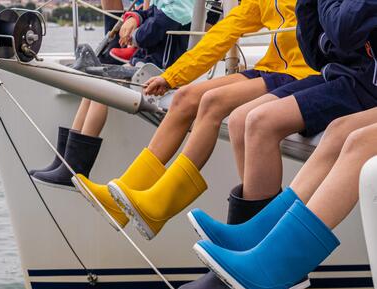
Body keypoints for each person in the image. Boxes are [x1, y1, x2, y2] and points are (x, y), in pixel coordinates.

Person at [177, 0, 377, 289]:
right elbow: (318, 51)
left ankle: (272, 264)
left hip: (361, 83)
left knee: (359, 142)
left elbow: (345, 30)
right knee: (340, 132)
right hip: (349, 78)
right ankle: (260, 239)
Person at [73, 0, 319, 240]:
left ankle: (161, 204)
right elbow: (221, 34)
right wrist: (172, 77)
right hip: (274, 67)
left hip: (303, 72)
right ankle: (125, 193)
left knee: (213, 102)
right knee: (185, 97)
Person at [31, 0, 197, 188]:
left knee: (101, 89)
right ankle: (65, 160)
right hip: (146, 65)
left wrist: (134, 35)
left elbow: (153, 30)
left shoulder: (181, 5)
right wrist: (134, 17)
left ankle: (76, 168)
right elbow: (151, 13)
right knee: (91, 85)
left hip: (159, 72)